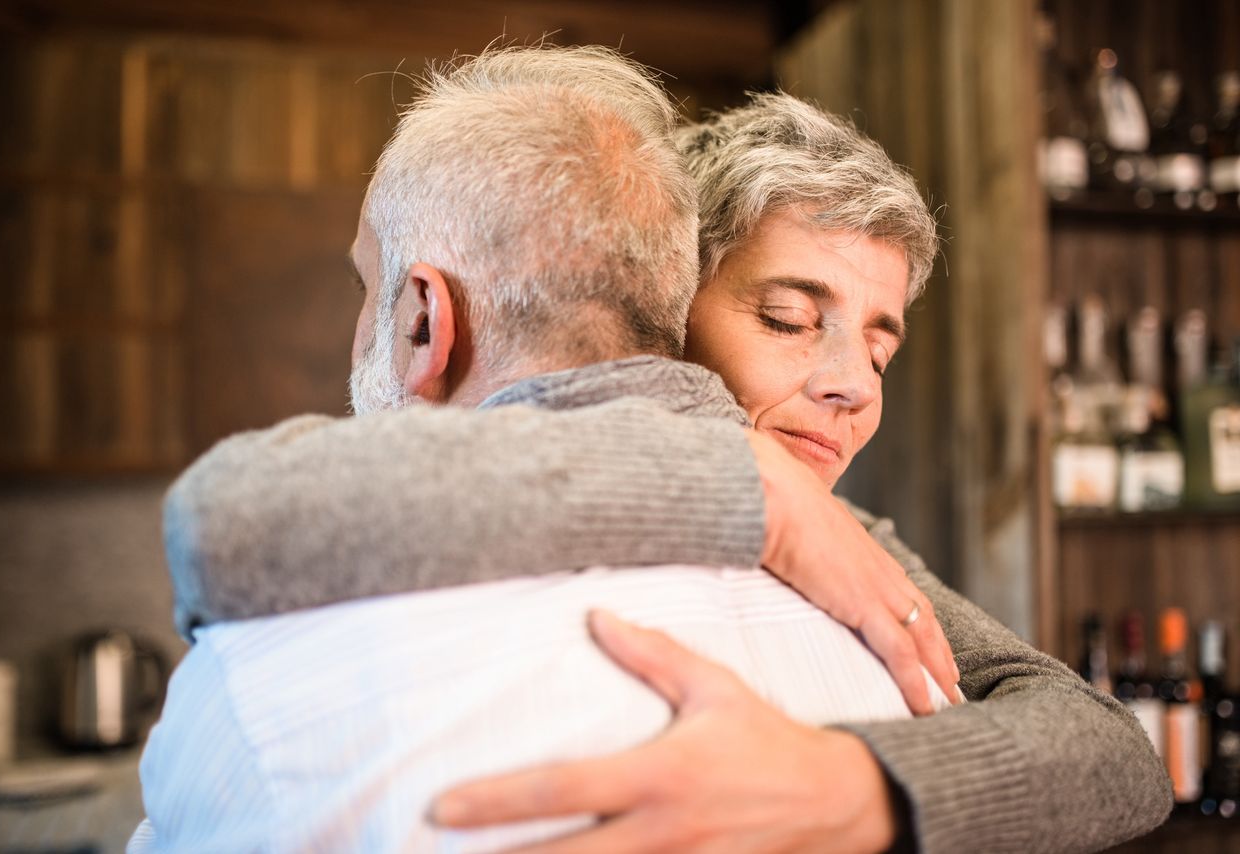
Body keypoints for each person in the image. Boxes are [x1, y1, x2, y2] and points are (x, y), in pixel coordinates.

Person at [139, 48, 1171, 854]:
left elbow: (1111, 751)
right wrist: (734, 479)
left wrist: (848, 783)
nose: (854, 383)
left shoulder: (854, 549)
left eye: (879, 340)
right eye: (782, 314)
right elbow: (234, 516)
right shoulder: (744, 495)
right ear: (664, 301)